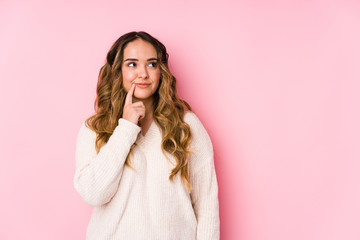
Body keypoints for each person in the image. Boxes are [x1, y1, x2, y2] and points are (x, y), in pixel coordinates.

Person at [73, 31, 220, 240]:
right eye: (132, 64)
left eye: (151, 64)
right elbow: (93, 193)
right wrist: (126, 128)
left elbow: (207, 204)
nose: (143, 73)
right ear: (117, 70)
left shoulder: (186, 125)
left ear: (161, 71)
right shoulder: (95, 128)